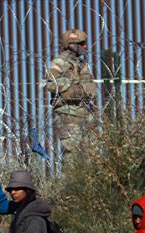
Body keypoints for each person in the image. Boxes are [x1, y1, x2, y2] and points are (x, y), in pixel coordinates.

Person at [44, 28, 98, 156]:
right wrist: (75, 90)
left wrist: (79, 90)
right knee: (72, 154)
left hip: (85, 112)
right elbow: (52, 85)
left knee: (91, 154)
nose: (85, 46)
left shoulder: (82, 64)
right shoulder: (59, 63)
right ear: (71, 45)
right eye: (81, 44)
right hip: (68, 114)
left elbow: (91, 90)